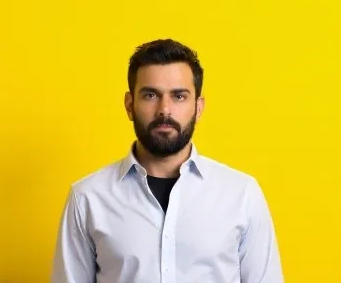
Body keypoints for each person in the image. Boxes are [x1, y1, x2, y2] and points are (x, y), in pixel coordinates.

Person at [50, 39, 284, 283]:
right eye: (150, 95)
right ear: (130, 105)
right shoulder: (88, 198)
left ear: (198, 107)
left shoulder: (241, 194)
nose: (164, 110)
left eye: (179, 96)